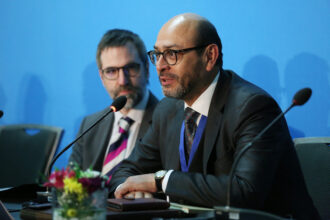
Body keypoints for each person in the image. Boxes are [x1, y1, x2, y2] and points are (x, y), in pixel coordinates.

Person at [109, 14, 320, 219]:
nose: (161, 65)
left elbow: (244, 193)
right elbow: (126, 171)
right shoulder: (168, 110)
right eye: (157, 54)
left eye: (172, 54)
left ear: (210, 56)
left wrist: (162, 180)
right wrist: (130, 190)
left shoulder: (253, 107)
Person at [69, 29, 158, 179]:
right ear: (102, 77)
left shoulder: (169, 120)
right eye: (111, 71)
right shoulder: (90, 125)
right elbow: (69, 185)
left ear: (147, 70)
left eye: (130, 68)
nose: (123, 81)